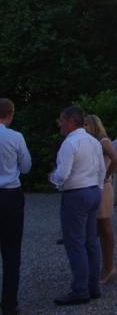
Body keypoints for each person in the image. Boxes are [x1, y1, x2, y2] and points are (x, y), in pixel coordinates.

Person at [49, 106, 105, 306]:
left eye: (62, 120)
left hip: (76, 194)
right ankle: (93, 286)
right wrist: (98, 189)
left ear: (71, 121)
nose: (60, 124)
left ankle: (80, 290)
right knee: (91, 241)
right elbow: (101, 169)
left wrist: (53, 179)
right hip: (93, 192)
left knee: (75, 242)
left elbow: (62, 174)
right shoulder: (93, 141)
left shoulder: (70, 143)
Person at [0, 98, 31, 315]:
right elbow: (27, 166)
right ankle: (9, 304)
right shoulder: (15, 137)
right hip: (10, 196)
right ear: (10, 113)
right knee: (11, 251)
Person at [83, 115, 117, 286]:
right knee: (98, 228)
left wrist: (107, 175)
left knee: (104, 228)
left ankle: (109, 268)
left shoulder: (103, 141)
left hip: (102, 187)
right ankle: (104, 267)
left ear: (94, 126)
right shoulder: (91, 142)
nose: (83, 127)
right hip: (96, 186)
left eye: (85, 124)